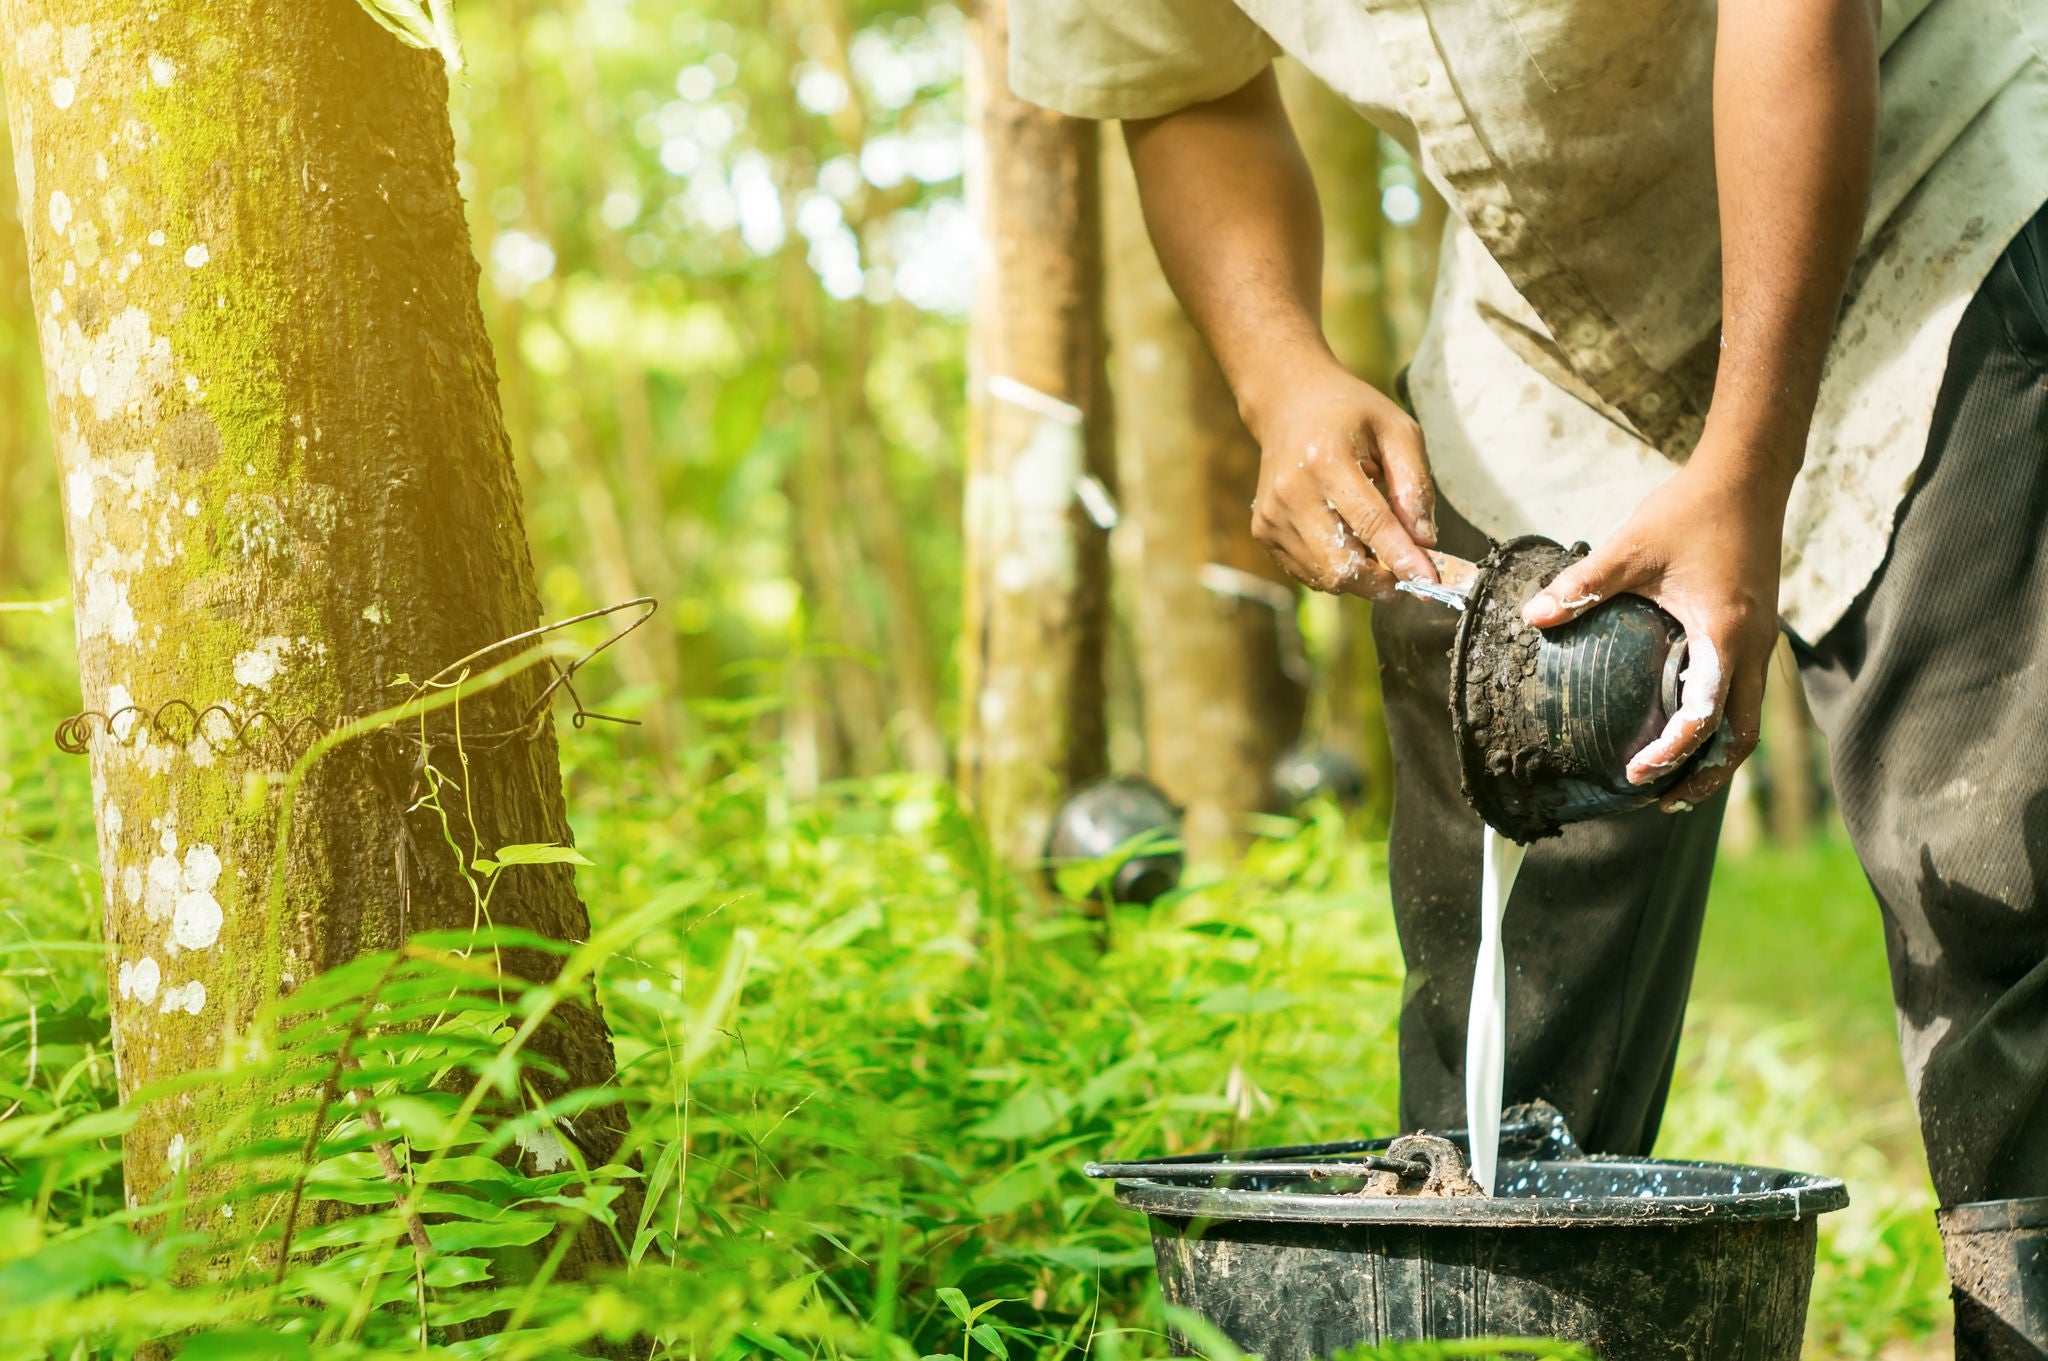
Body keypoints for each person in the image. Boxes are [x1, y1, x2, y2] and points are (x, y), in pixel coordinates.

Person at [1008, 0, 2048, 1350]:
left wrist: (1742, 472)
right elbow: (1180, 76)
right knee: (1502, 1021)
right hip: (1550, 309)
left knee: (1995, 863)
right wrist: (1280, 373)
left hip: (1915, 180)